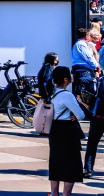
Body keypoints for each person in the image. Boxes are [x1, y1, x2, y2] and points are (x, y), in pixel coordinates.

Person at [49, 65, 84, 196]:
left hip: (54, 129)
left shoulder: (52, 93)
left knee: (56, 163)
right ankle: (66, 194)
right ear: (65, 79)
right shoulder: (67, 95)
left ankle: (54, 193)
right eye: (70, 74)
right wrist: (74, 114)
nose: (72, 76)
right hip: (67, 130)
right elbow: (81, 115)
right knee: (71, 164)